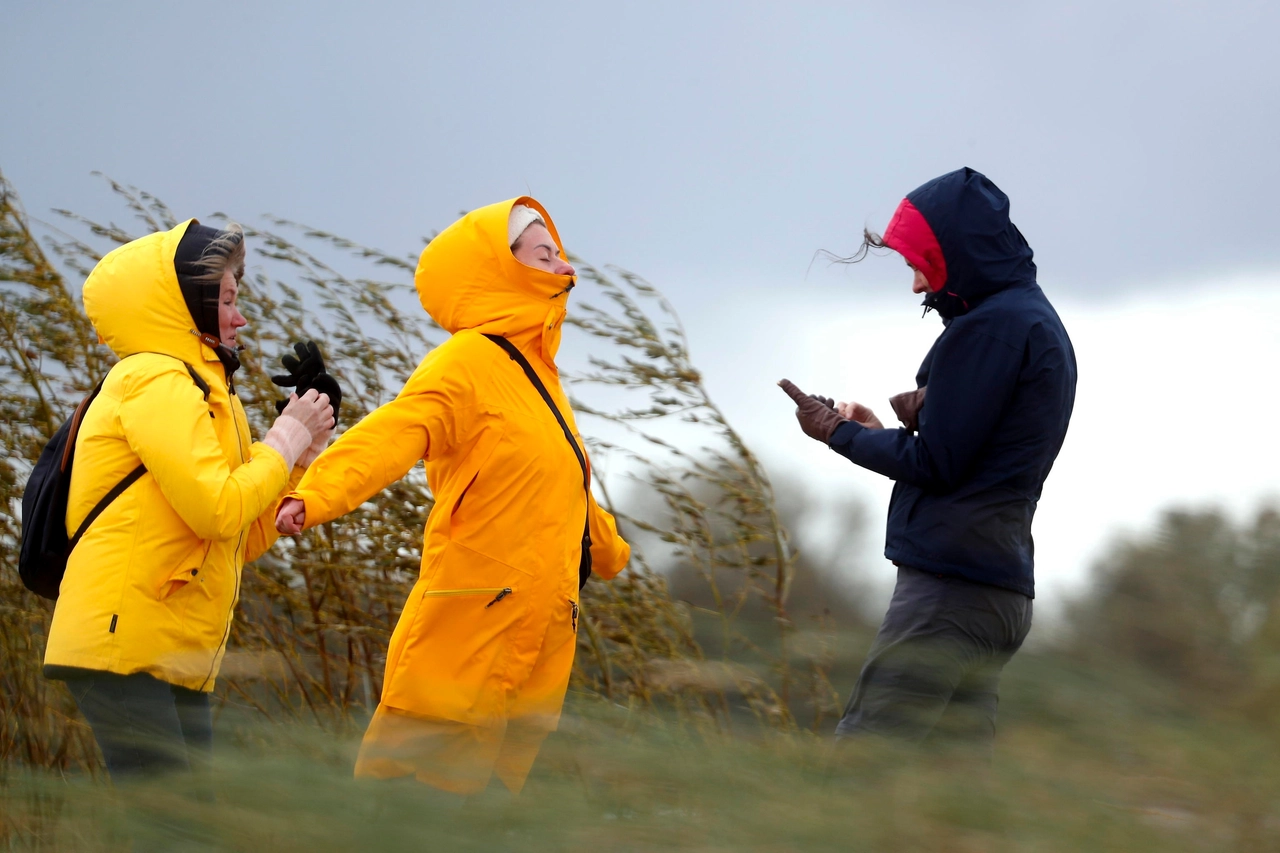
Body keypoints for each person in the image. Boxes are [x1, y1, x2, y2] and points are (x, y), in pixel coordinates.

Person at [275, 197, 631, 796]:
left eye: (563, 255)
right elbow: (395, 432)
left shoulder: (538, 375)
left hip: (536, 649)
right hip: (467, 637)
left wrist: (610, 549)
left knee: (486, 828)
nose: (567, 269)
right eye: (545, 254)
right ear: (500, 269)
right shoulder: (466, 363)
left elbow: (559, 481)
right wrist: (313, 494)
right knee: (406, 820)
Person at [780, 167, 1077, 754]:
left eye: (919, 264)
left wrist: (837, 431)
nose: (916, 285)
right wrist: (881, 430)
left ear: (956, 253)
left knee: (863, 767)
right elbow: (972, 450)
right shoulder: (1032, 321)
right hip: (998, 595)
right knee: (949, 801)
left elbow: (938, 463)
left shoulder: (991, 328)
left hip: (950, 594)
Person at [42, 220, 335, 780]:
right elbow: (218, 508)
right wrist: (283, 440)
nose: (240, 315)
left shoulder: (212, 395)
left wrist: (300, 454)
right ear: (187, 304)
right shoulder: (154, 378)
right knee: (175, 828)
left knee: (185, 823)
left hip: (170, 650)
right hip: (124, 642)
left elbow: (239, 535)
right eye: (226, 298)